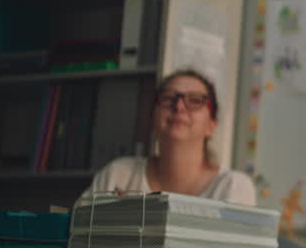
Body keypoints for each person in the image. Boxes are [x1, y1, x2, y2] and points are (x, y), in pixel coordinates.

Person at [84, 69, 256, 206]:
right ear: (152, 118)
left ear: (211, 125)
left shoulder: (232, 187)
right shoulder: (118, 175)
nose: (179, 106)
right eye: (168, 98)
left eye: (195, 101)